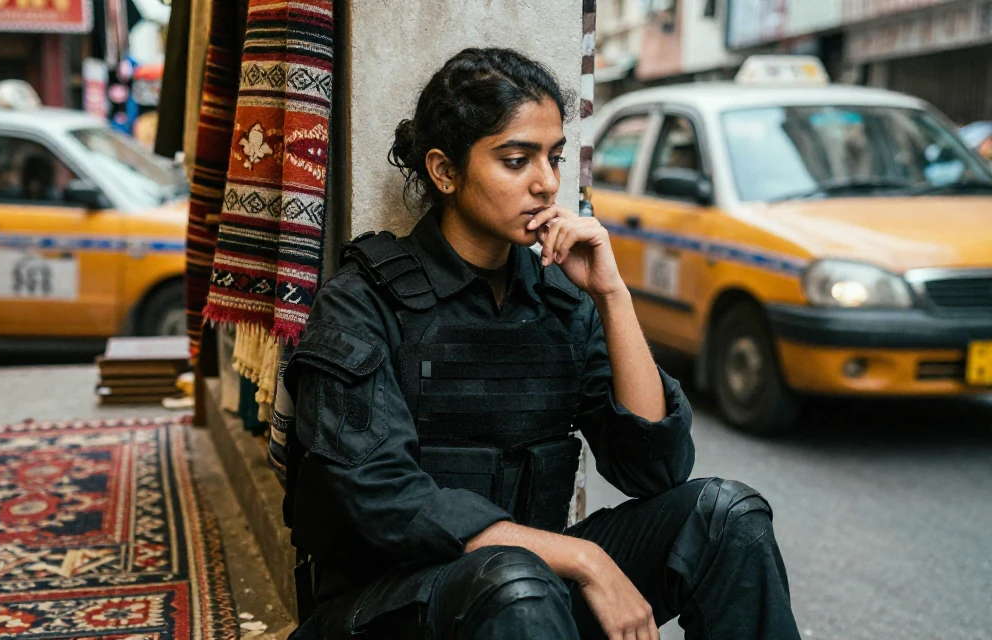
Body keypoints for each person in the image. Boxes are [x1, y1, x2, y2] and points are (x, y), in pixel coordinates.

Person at [282, 48, 799, 640]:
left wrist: (612, 295)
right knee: (515, 583)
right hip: (388, 606)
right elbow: (384, 499)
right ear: (445, 171)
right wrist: (583, 559)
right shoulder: (360, 302)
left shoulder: (560, 300)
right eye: (515, 159)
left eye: (552, 158)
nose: (547, 182)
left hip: (528, 597)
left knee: (726, 518)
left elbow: (655, 470)